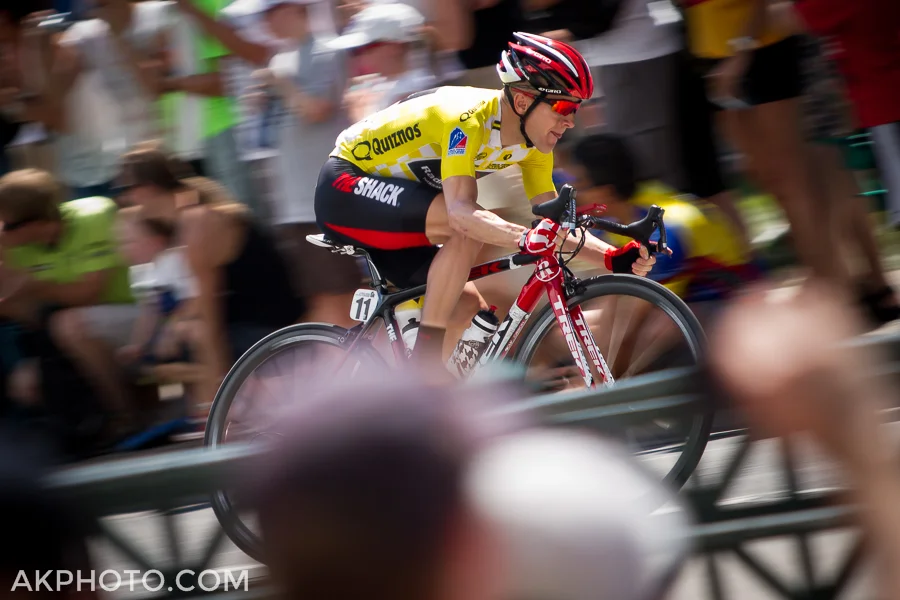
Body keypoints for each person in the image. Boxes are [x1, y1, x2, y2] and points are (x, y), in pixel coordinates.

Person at [315, 32, 659, 370]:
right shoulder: (466, 121)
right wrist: (521, 237)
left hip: (405, 205)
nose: (570, 121)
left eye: (577, 109)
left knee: (466, 309)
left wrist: (611, 258)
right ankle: (424, 364)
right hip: (347, 184)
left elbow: (550, 226)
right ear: (523, 101)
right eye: (564, 106)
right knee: (465, 228)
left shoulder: (533, 146)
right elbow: (461, 214)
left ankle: (424, 408)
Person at [117, 143, 304, 426]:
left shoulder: (197, 222)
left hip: (271, 324)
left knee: (197, 332)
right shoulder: (186, 218)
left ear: (146, 189)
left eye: (126, 188)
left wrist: (219, 389)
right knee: (181, 334)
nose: (124, 197)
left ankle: (217, 413)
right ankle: (209, 411)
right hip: (247, 317)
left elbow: (209, 312)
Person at [250, 0, 363, 327]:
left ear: (294, 9)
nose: (266, 22)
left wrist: (280, 84)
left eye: (270, 12)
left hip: (324, 198)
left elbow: (317, 109)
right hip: (294, 204)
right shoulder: (280, 59)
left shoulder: (327, 51)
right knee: (323, 300)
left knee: (342, 299)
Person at [0, 169, 139, 434]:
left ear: (34, 224)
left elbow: (90, 294)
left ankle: (125, 415)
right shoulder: (14, 247)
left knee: (68, 324)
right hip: (83, 332)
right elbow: (27, 313)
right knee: (23, 384)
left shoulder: (95, 214)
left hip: (141, 318)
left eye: (6, 225)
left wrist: (32, 286)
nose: (1, 230)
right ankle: (87, 428)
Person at [560, 133, 759, 305]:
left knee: (654, 328)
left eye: (579, 184)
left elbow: (638, 319)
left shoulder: (662, 231)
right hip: (696, 297)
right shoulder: (627, 206)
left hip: (734, 304)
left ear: (606, 192)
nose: (572, 193)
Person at [330, 2, 437, 122]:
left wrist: (359, 115)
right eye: (355, 51)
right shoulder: (379, 87)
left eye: (366, 47)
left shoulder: (415, 92)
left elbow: (388, 138)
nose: (359, 56)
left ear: (393, 47)